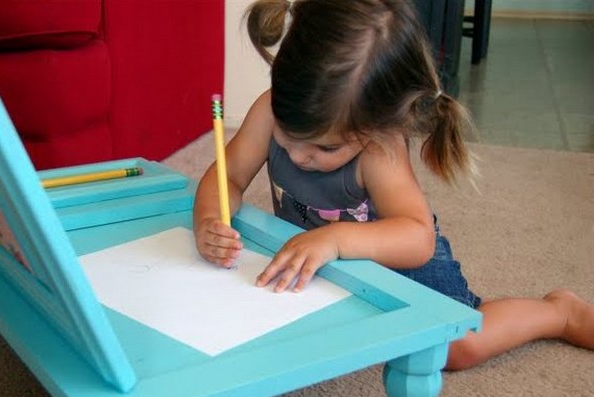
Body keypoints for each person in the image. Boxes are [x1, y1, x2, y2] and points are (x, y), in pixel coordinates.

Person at [193, 0, 594, 370]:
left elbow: (417, 237)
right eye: (287, 134)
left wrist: (333, 241)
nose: (298, 156)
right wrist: (211, 218)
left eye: (325, 146)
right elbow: (227, 174)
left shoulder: (379, 149)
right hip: (329, 262)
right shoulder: (269, 110)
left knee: (457, 347)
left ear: (375, 126)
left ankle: (559, 312)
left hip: (397, 261)